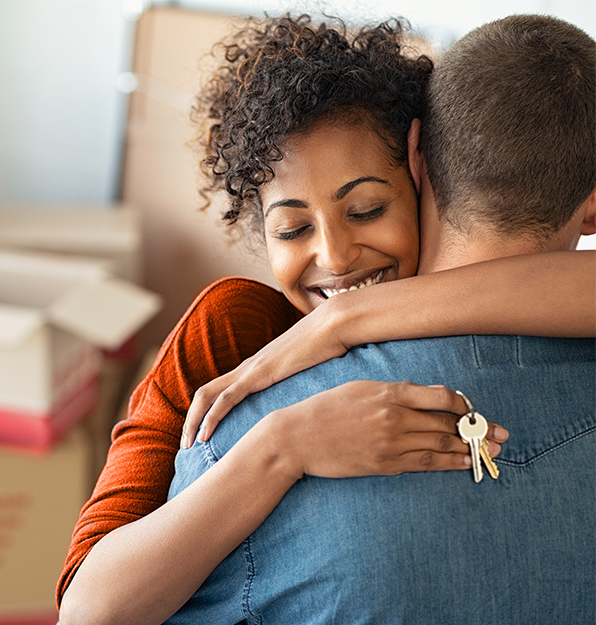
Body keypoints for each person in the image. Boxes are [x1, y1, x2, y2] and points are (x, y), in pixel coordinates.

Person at [56, 15, 595, 625]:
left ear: (420, 172)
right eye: (292, 228)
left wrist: (348, 319)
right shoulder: (232, 334)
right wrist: (283, 446)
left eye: (367, 209)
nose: (336, 257)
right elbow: (87, 610)